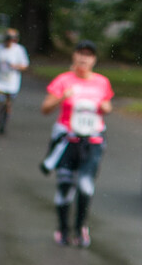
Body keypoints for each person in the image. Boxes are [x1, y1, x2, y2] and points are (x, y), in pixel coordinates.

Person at [40, 40, 113, 248]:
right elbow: (45, 108)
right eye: (80, 53)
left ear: (94, 60)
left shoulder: (101, 82)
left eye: (88, 55)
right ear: (74, 56)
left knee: (85, 186)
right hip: (67, 141)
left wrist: (105, 107)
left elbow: (108, 106)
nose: (84, 58)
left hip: (92, 141)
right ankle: (63, 229)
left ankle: (80, 227)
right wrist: (62, 97)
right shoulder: (64, 80)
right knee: (65, 186)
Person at [0, 28, 30, 134]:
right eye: (8, 38)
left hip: (12, 81)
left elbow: (25, 65)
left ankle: (3, 124)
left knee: (8, 104)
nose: (9, 41)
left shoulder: (19, 50)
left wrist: (15, 66)